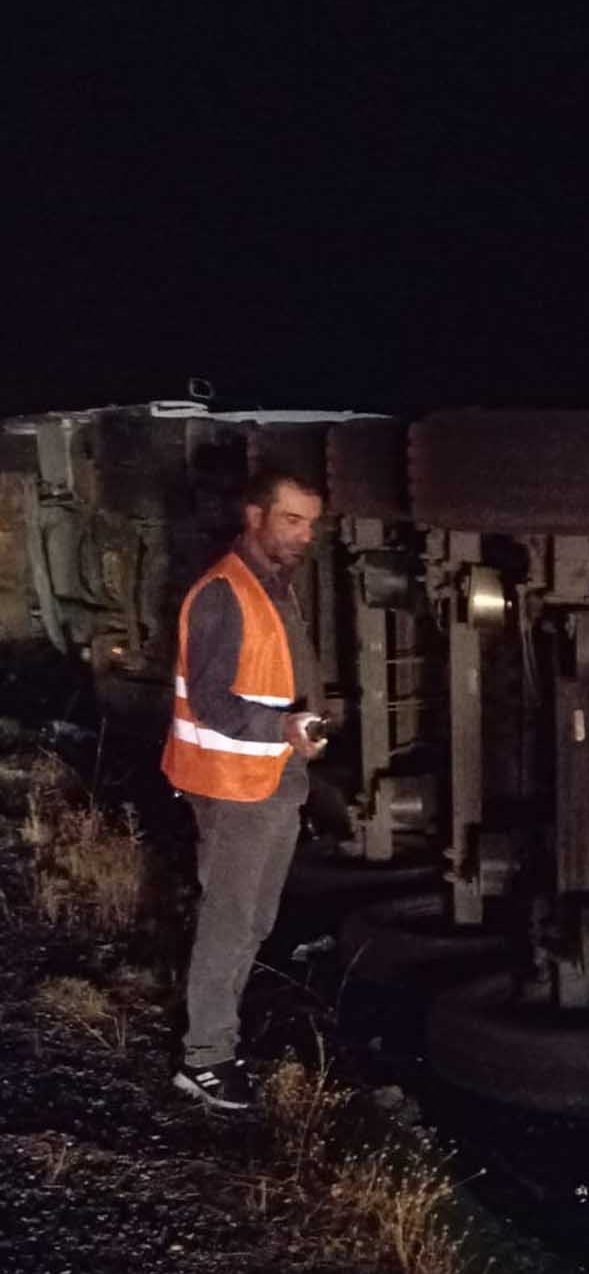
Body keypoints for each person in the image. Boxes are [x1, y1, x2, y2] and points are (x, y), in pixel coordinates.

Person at [162, 465, 328, 1111]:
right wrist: (283, 727)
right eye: (292, 519)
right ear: (254, 514)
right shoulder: (224, 593)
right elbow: (207, 698)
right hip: (236, 785)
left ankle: (217, 1041)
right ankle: (204, 1059)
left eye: (311, 523)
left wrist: (295, 734)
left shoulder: (273, 584)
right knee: (232, 921)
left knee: (252, 920)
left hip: (269, 776)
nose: (305, 535)